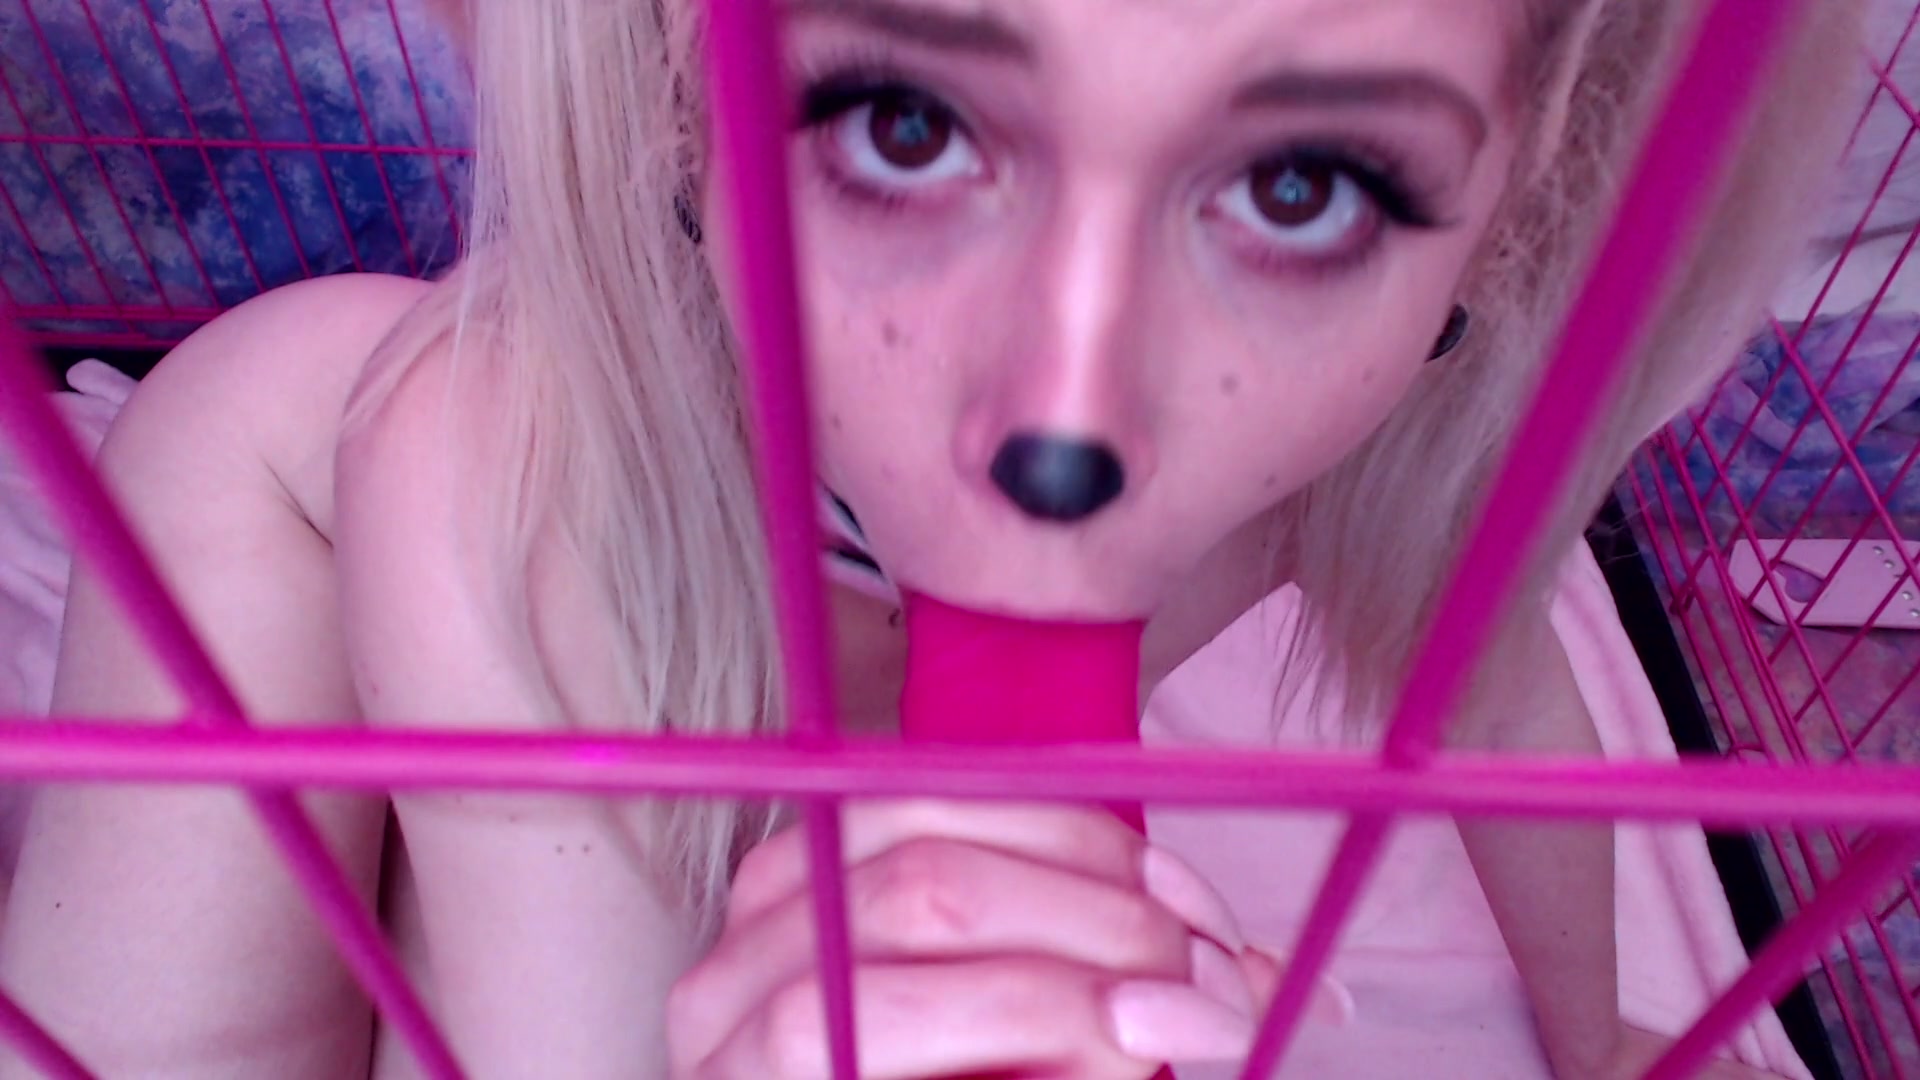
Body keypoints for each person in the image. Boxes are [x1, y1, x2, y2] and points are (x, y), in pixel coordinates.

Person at [0, 0, 1868, 1077]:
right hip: (290, 526)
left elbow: (1505, 709)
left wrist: (1611, 1042)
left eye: (1302, 187)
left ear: (1519, 210)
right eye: (903, 126)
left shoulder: (1350, 458)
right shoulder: (499, 479)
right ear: (678, 82)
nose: (1065, 415)